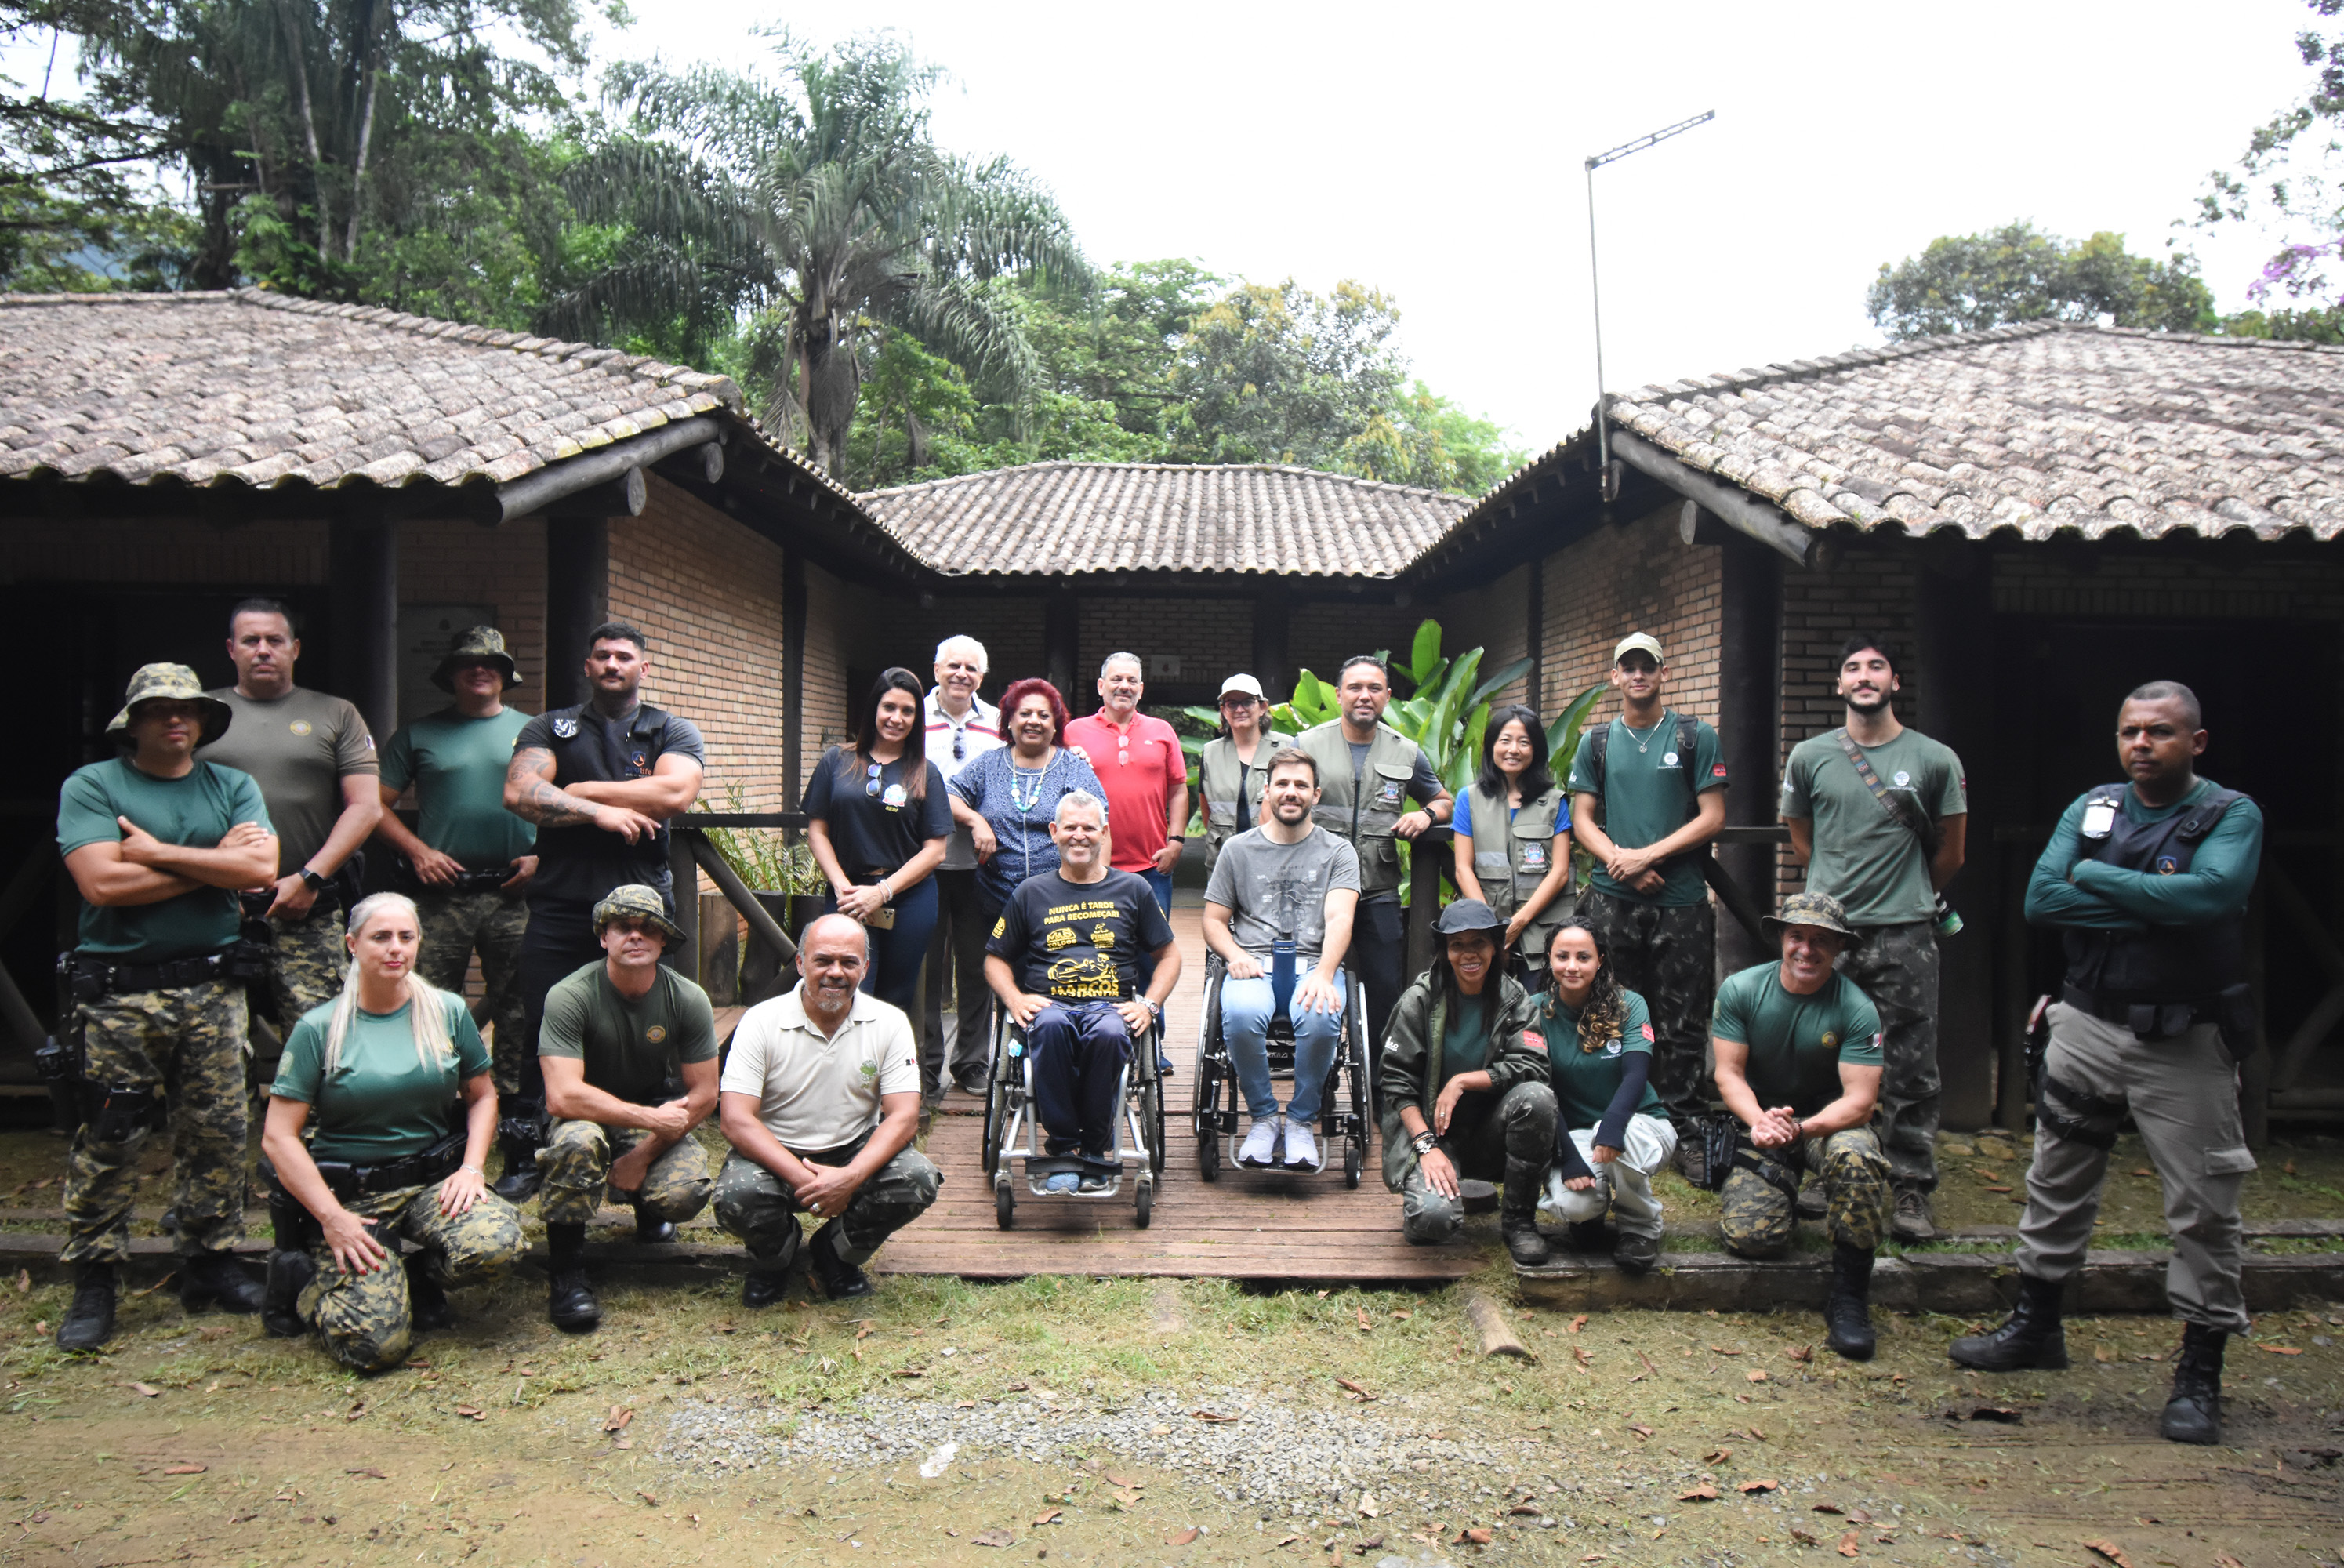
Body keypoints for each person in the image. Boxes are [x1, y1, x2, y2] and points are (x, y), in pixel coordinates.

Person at [1950, 681, 2263, 1446]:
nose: (2139, 743)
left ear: (2195, 740)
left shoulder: (2228, 814)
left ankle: (2198, 1369)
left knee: (2202, 1203)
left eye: (2158, 731)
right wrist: (2154, 895)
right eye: (2128, 730)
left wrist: (2097, 879)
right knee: (2055, 1177)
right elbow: (2040, 900)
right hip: (2086, 1022)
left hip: (2183, 1038)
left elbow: (2213, 896)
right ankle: (2035, 1324)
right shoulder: (2094, 806)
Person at [51, 665, 279, 1350]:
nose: (174, 720)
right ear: (134, 721)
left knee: (216, 1131)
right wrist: (210, 860)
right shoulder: (93, 786)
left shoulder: (231, 785)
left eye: (188, 710)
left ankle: (209, 1258)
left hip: (213, 990)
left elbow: (261, 870)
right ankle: (96, 1273)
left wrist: (152, 854)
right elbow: (101, 883)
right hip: (121, 993)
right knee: (111, 1134)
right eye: (158, 710)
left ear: (205, 722)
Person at [259, 893, 524, 1374]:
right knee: (374, 1348)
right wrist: (331, 1218)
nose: (395, 948)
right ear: (352, 944)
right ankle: (309, 1288)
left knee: (497, 1241)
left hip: (430, 1183)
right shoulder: (318, 1029)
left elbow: (483, 1096)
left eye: (407, 936)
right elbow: (278, 1137)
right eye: (380, 937)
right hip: (353, 1199)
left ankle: (411, 1277)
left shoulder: (445, 1011)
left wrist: (472, 1168)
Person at [500, 621, 706, 1201]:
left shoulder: (669, 729)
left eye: (624, 656)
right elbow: (519, 794)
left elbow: (672, 795)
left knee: (648, 1034)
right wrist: (599, 815)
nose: (612, 664)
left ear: (645, 668)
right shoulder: (550, 727)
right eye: (601, 656)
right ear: (587, 667)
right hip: (563, 905)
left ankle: (645, 1154)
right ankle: (525, 1152)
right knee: (539, 1026)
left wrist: (580, 790)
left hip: (642, 911)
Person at [1780, 632, 1965, 1242]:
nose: (1864, 676)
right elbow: (1802, 837)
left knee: (1912, 1064)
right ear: (1839, 685)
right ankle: (1821, 1165)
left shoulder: (1936, 758)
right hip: (1831, 933)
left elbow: (1952, 851)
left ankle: (1911, 1185)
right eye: (1853, 668)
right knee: (1821, 1055)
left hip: (1906, 931)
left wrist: (1904, 890)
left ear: (1894, 683)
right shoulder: (1810, 757)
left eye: (1876, 667)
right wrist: (1836, 891)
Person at [716, 913, 942, 1304]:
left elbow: (904, 1117)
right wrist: (808, 1180)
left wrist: (850, 1177)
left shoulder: (889, 1023)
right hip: (777, 1150)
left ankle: (837, 1255)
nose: (835, 973)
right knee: (738, 1195)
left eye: (849, 963)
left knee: (916, 1178)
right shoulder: (760, 1021)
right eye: (823, 961)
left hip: (853, 1146)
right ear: (801, 963)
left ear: (865, 968)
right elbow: (736, 1120)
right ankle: (776, 1257)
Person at [1565, 633, 1727, 1174]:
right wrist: (1619, 861)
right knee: (1612, 1009)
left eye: (1647, 667)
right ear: (1614, 677)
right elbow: (1583, 816)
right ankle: (1614, 1114)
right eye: (1628, 667)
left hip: (1681, 899)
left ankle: (1685, 1124)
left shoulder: (1693, 735)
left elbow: (1712, 817)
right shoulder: (1597, 743)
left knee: (1683, 1018)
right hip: (1612, 901)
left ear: (1662, 674)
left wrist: (1647, 856)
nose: (1638, 675)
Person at [197, 598, 383, 1062]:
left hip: (305, 906)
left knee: (319, 1038)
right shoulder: (198, 716)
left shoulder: (336, 713)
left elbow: (366, 807)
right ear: (231, 648)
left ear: (295, 648)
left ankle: (314, 1134)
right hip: (214, 906)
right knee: (212, 1043)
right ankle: (226, 1135)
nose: (263, 650)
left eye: (274, 640)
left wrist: (310, 878)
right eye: (251, 641)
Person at [533, 885, 721, 1333]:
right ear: (604, 937)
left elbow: (705, 1095)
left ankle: (648, 1208)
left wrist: (640, 1156)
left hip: (651, 1103)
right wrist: (649, 1120)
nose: (635, 937)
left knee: (684, 1191)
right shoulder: (569, 995)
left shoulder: (687, 998)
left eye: (647, 928)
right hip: (582, 1112)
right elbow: (563, 1096)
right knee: (578, 1143)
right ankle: (568, 1272)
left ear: (662, 941)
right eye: (623, 927)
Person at [1711, 891, 1889, 1362]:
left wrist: (1802, 1129)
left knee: (1857, 1155)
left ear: (1838, 948)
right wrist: (1759, 1123)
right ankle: (1780, 1187)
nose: (1806, 950)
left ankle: (1850, 1295)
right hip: (1762, 1120)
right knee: (1752, 1238)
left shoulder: (1856, 1008)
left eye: (1820, 941)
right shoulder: (1741, 990)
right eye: (1797, 937)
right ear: (1782, 940)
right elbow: (1728, 1073)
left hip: (1826, 1123)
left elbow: (1861, 1101)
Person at [375, 627, 536, 1139]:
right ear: (450, 676)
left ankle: (512, 1112)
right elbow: (373, 805)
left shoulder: (535, 732)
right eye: (468, 662)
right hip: (441, 893)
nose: (480, 669)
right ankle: (434, 1103)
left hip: (515, 891)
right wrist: (418, 851)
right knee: (426, 998)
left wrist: (543, 857)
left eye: (491, 662)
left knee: (519, 1002)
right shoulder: (418, 735)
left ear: (506, 674)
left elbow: (566, 801)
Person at [985, 791, 1181, 1189]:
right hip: (1049, 1004)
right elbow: (995, 959)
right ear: (1054, 833)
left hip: (1111, 1007)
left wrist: (1149, 1005)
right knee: (1051, 1027)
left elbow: (1170, 956)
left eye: (1089, 828)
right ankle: (1063, 1149)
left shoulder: (1134, 889)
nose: (1079, 836)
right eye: (1070, 828)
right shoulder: (1030, 892)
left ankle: (1095, 1149)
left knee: (1110, 1034)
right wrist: (1015, 998)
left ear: (1103, 833)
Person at [1202, 750, 1361, 1173]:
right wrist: (1234, 955)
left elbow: (1340, 916)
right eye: (1284, 784)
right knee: (1238, 1014)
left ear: (1316, 794)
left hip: (1313, 961)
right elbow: (1214, 920)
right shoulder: (1237, 850)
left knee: (1323, 1015)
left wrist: (1326, 973)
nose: (1292, 793)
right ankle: (1265, 1118)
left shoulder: (1338, 851)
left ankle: (1301, 1122)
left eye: (1301, 785)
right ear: (1266, 791)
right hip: (1253, 962)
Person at [1378, 899, 1557, 1265]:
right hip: (1434, 1134)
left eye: (1479, 943)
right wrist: (1426, 1146)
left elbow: (1534, 1065)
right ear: (1445, 951)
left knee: (1537, 1098)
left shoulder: (1515, 999)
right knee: (1433, 1222)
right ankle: (1429, 1202)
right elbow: (1396, 1082)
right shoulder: (1420, 1000)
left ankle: (1520, 1222)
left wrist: (1465, 1080)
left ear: (1496, 946)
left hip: (1494, 1129)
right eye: (1457, 945)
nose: (1468, 954)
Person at [1296, 655, 1452, 1048]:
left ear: (1387, 697)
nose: (1364, 696)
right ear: (1338, 695)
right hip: (1317, 887)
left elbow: (1444, 800)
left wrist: (1427, 815)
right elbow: (1276, 804)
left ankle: (1384, 1089)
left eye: (1374, 689)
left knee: (1385, 988)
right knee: (1309, 981)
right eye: (1355, 688)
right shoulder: (1308, 744)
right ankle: (1315, 1071)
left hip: (1377, 889)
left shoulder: (1407, 752)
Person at [802, 667, 952, 1015]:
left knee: (894, 999)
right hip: (849, 896)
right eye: (889, 707)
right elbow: (817, 831)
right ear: (874, 709)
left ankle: (883, 1070)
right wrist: (843, 886)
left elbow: (936, 850)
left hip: (909, 900)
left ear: (917, 718)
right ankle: (844, 1070)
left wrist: (882, 891)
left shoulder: (926, 772)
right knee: (847, 995)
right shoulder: (836, 760)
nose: (896, 718)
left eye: (908, 711)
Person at [1533, 919, 1676, 1276]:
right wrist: (1567, 1155)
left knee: (1618, 1142)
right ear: (1549, 960)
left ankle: (1640, 1229)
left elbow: (1635, 1074)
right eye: (1562, 956)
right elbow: (1541, 1087)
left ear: (1600, 961)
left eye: (1583, 957)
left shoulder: (1631, 1005)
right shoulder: (1534, 1010)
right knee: (1574, 1203)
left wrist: (1611, 1127)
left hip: (1639, 1123)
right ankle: (1590, 1217)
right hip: (1576, 1132)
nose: (1572, 966)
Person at [950, 678, 1109, 931]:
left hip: (1061, 901)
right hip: (995, 899)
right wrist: (976, 820)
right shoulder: (988, 764)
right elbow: (949, 795)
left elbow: (1102, 825)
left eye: (1043, 715)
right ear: (1010, 721)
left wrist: (1100, 889)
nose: (1033, 720)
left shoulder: (1074, 767)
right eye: (1024, 713)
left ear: (1055, 724)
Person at [922, 636, 1004, 1106]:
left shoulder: (997, 723)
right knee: (927, 966)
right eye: (953, 665)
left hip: (981, 866)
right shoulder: (914, 719)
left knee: (977, 964)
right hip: (925, 863)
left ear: (982, 675)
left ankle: (972, 1061)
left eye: (972, 668)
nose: (962, 674)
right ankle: (927, 1065)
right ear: (936, 669)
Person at [1453, 703, 1573, 985]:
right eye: (1505, 740)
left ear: (1537, 749)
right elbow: (1462, 868)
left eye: (1524, 742)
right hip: (1485, 931)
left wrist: (1517, 924)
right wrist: (1490, 931)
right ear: (1491, 746)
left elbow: (1560, 873)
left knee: (1539, 1013)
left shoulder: (1555, 802)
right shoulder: (1468, 799)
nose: (1513, 749)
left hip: (1542, 931)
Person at [1063, 653, 1188, 913]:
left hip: (1152, 865)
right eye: (1116, 679)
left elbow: (1177, 789)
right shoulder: (1073, 732)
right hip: (1090, 863)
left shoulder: (1162, 731)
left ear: (1140, 690)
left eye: (1132, 681)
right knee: (1097, 946)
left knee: (1152, 947)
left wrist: (1176, 841)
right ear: (1101, 686)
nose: (1124, 686)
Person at [1196, 673, 1294, 876]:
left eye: (1248, 702)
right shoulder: (1211, 753)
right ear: (1223, 710)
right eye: (1232, 704)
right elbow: (1207, 812)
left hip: (1276, 860)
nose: (1240, 709)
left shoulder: (1287, 747)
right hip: (1224, 861)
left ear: (1262, 707)